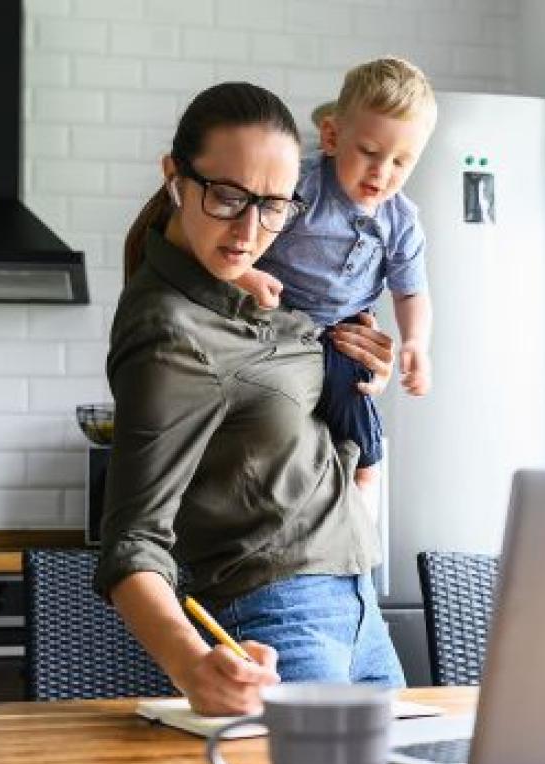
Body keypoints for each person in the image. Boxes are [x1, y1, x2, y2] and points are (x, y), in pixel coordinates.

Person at [95, 82, 406, 717]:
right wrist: (189, 663)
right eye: (227, 196)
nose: (248, 230)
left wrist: (358, 370)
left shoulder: (266, 290)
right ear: (175, 178)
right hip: (278, 620)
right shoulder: (170, 332)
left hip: (360, 607)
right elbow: (132, 539)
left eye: (273, 206)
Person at [236, 57, 437, 503]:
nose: (382, 172)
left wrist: (416, 344)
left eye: (401, 162)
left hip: (343, 331)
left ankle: (366, 472)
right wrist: (247, 276)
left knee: (353, 389)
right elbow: (245, 239)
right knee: (277, 401)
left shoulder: (401, 220)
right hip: (275, 317)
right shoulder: (300, 185)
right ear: (331, 136)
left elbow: (411, 290)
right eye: (369, 152)